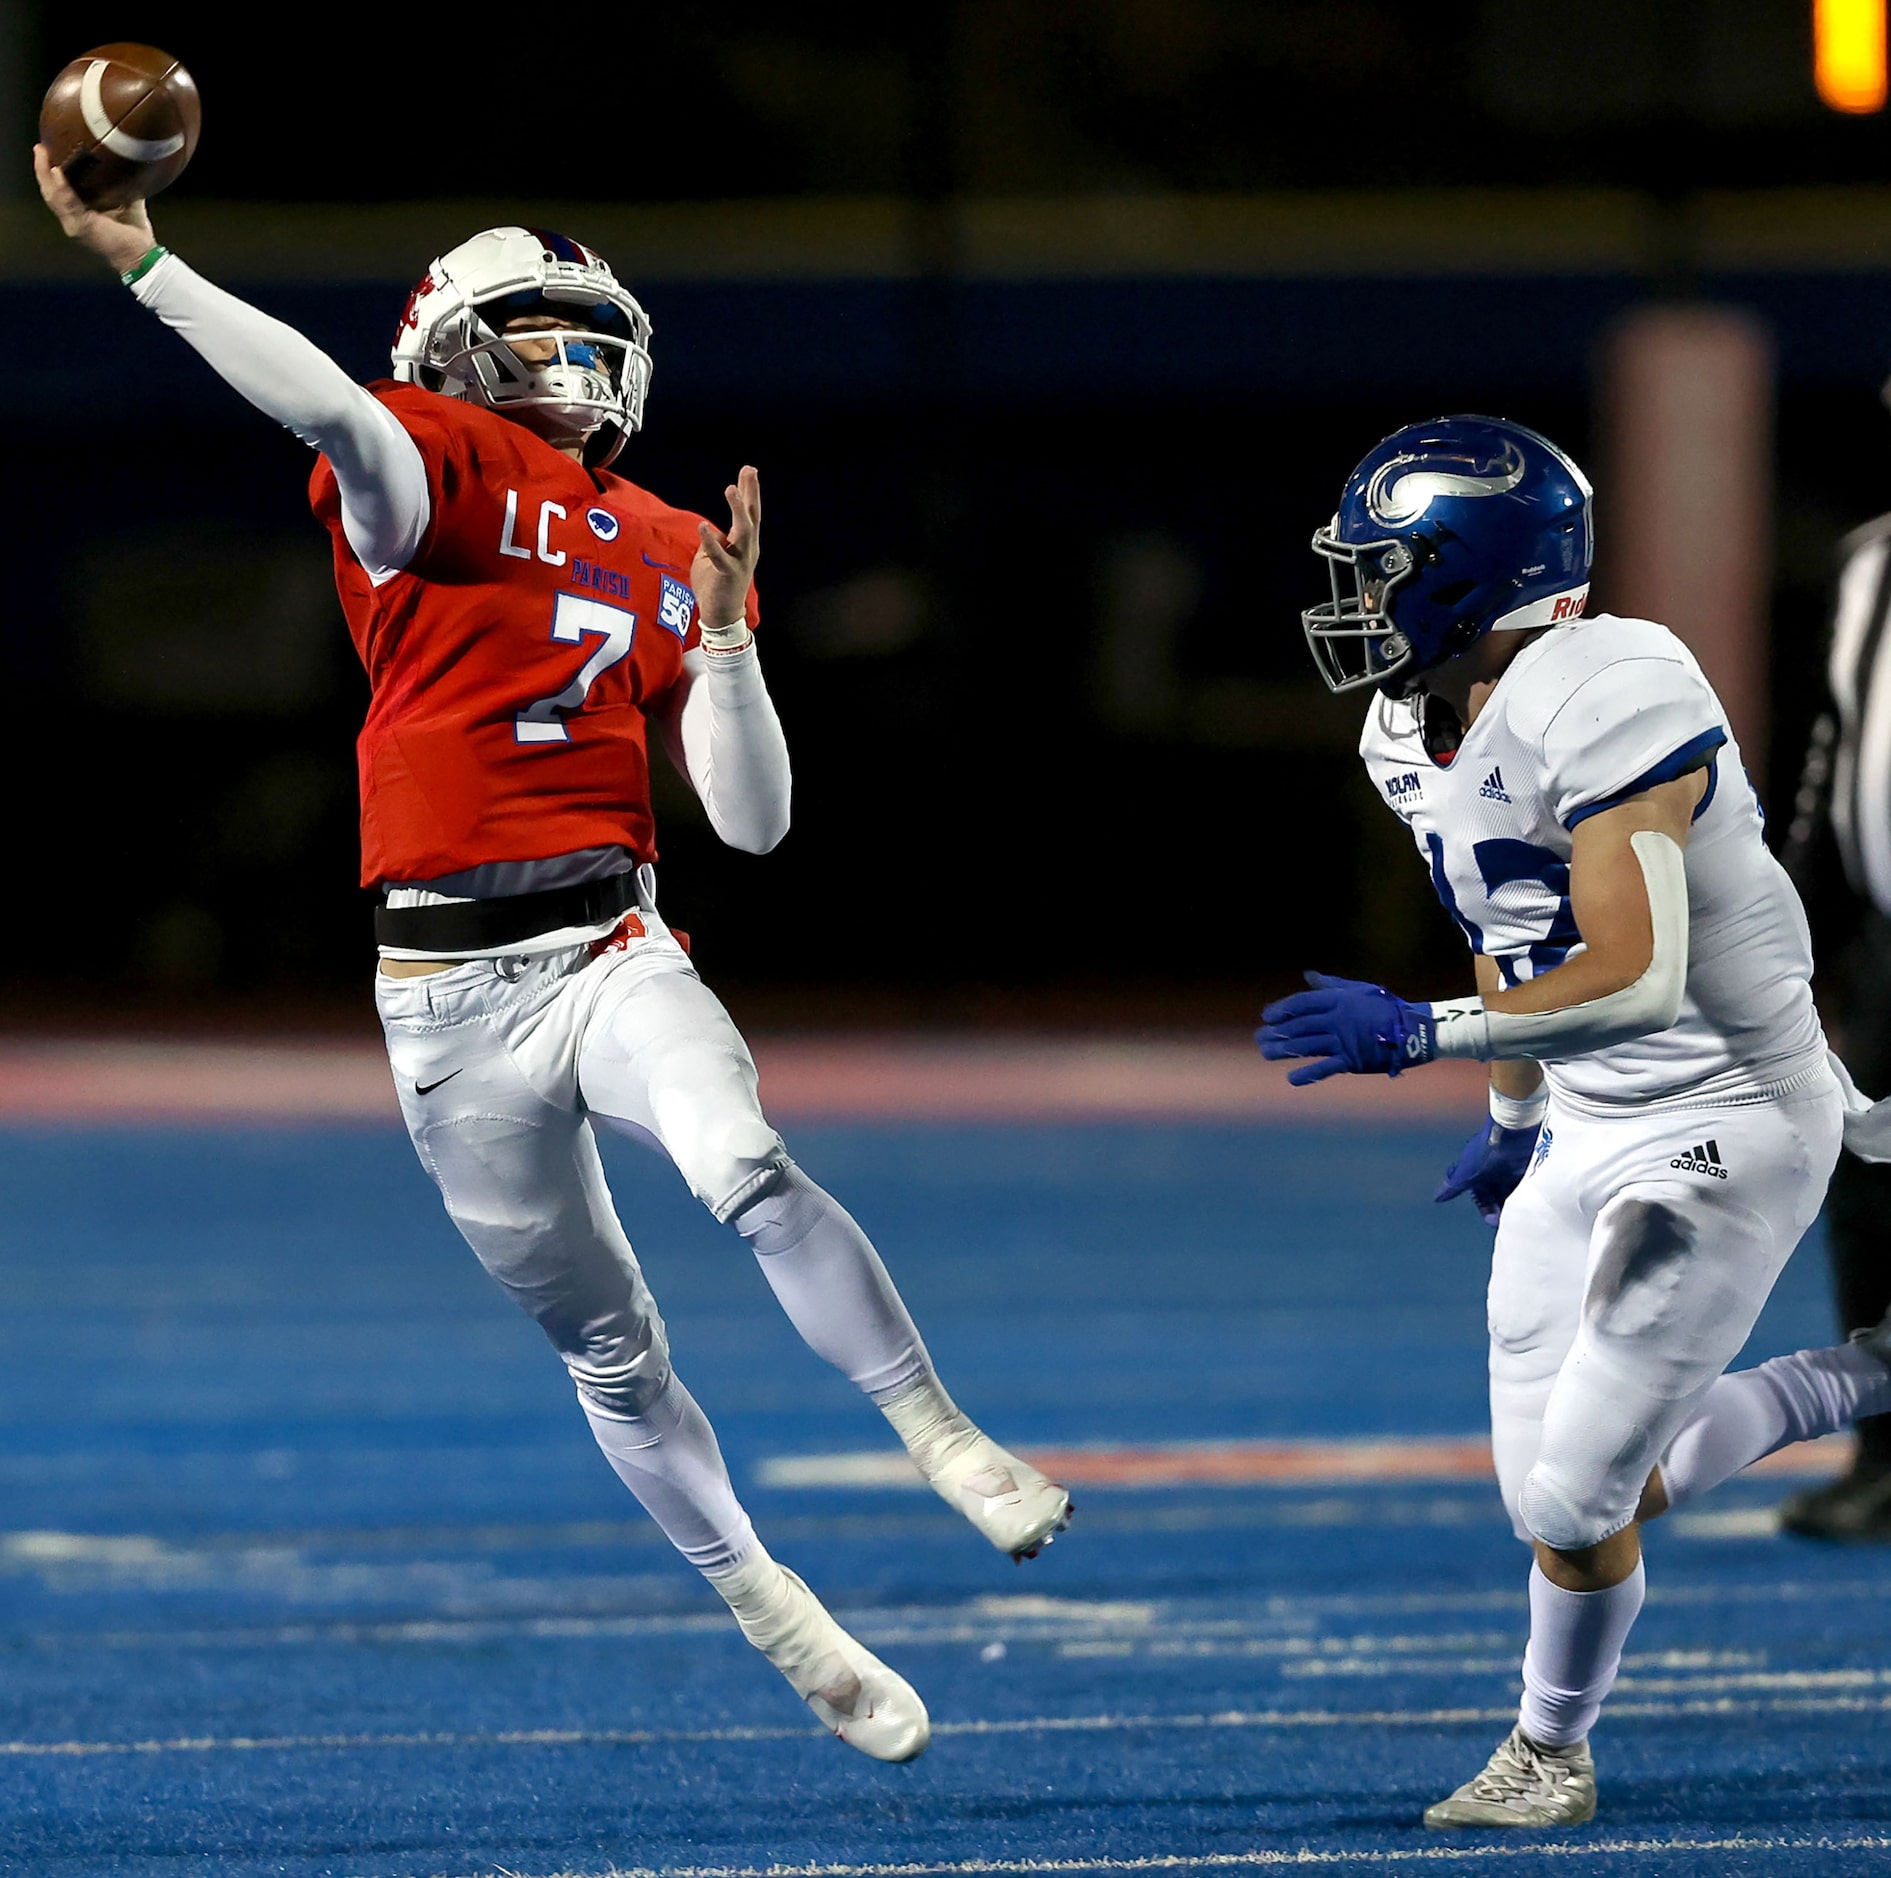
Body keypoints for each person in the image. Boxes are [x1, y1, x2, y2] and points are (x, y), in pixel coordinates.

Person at [34, 151, 1072, 1765]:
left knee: (747, 1160)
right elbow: (324, 404)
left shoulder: (664, 529)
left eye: (593, 331)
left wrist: (725, 636)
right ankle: (773, 1610)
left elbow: (753, 821)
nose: (572, 358)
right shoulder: (422, 463)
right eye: (535, 326)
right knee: (608, 1343)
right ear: (452, 340)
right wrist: (145, 264)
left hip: (607, 937)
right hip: (444, 996)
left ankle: (941, 1432)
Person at [1256, 415, 1891, 1830]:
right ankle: (1854, 1373)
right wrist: (1505, 1111)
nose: (1356, 601)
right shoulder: (1407, 722)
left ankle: (1547, 1753)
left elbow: (1631, 969)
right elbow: (1511, 929)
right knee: (1557, 1494)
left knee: (1570, 1505)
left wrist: (1417, 1035)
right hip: (1588, 1115)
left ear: (1467, 571)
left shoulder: (1609, 681)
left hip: (1727, 1110)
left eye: (1382, 570)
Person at [1770, 502, 1891, 1540]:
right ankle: (1887, 1456)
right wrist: (1805, 931)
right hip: (1886, 939)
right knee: (1869, 1187)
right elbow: (1837, 752)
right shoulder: (1865, 558)